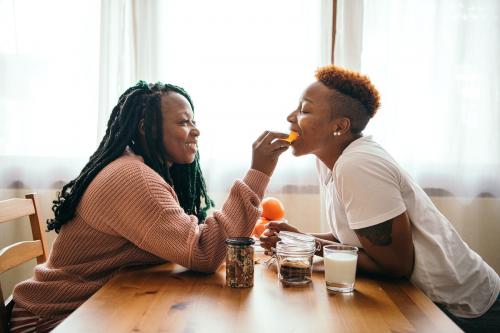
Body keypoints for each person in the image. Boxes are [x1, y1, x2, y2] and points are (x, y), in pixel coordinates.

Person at [9, 81, 290, 332]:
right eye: (183, 122)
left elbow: (188, 241)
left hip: (90, 307)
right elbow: (204, 253)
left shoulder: (144, 170)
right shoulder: (133, 178)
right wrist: (259, 173)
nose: (196, 130)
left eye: (194, 121)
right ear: (148, 128)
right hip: (51, 320)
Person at [260, 65, 500, 332]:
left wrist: (308, 245)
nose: (290, 117)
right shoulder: (331, 161)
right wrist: (299, 238)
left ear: (339, 126)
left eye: (304, 110)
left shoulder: (357, 165)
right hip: (427, 303)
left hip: (464, 310)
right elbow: (355, 236)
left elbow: (396, 265)